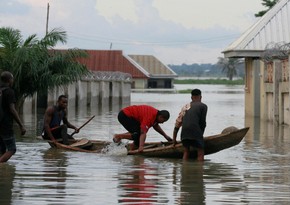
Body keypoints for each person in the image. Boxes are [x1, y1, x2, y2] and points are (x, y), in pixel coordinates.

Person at [173, 89, 207, 161]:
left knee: (186, 151)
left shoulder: (185, 107)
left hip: (184, 134)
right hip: (195, 132)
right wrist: (201, 135)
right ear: (200, 97)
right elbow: (203, 123)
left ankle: (184, 168)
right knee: (200, 152)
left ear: (191, 97)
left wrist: (174, 141)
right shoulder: (203, 106)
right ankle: (200, 170)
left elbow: (177, 124)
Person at [0, 71, 26, 163]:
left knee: (1, 150)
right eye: (12, 79)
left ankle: (2, 174)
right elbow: (12, 109)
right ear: (9, 80)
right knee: (12, 149)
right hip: (6, 125)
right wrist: (21, 125)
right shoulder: (9, 92)